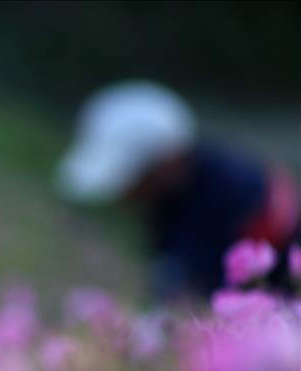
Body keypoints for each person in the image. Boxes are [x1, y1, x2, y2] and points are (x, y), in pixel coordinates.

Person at [57, 80, 299, 299]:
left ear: (165, 162)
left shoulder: (232, 189)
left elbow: (197, 294)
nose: (123, 196)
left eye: (132, 179)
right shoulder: (171, 200)